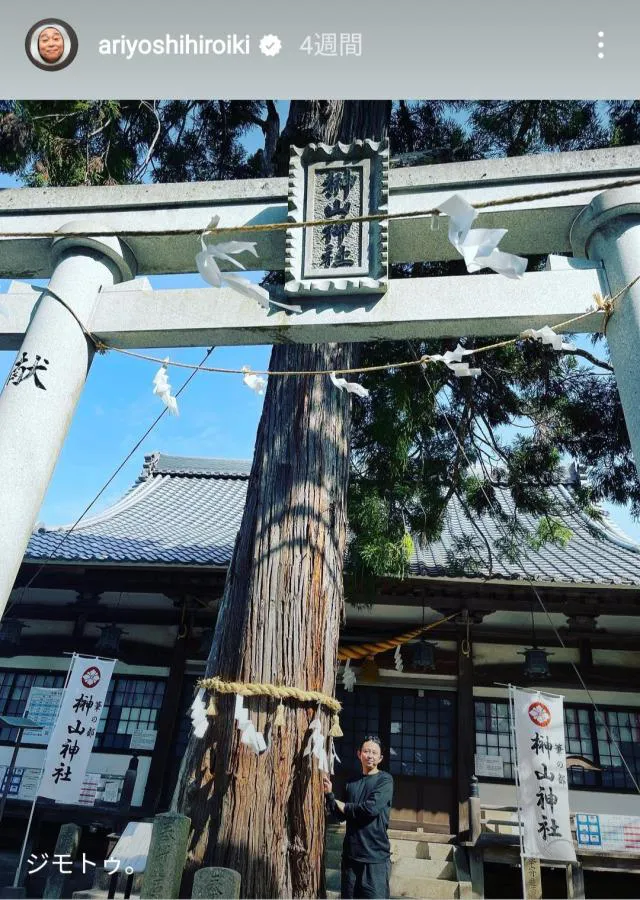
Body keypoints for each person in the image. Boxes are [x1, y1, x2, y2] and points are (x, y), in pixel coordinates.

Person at [323, 735, 394, 899]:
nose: (370, 755)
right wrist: (329, 795)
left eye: (374, 753)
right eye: (366, 751)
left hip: (375, 858)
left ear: (380, 758)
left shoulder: (385, 780)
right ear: (359, 754)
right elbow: (340, 816)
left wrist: (344, 805)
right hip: (350, 857)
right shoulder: (351, 782)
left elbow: (370, 809)